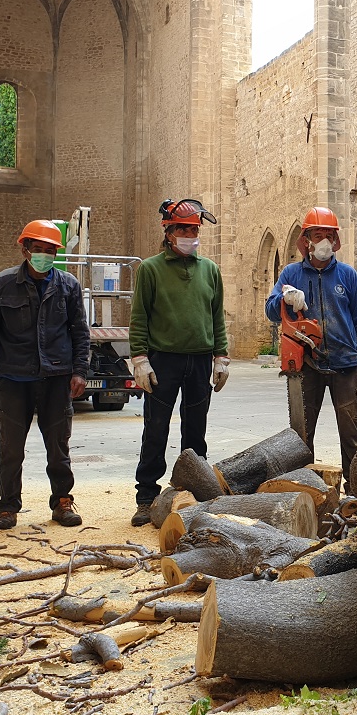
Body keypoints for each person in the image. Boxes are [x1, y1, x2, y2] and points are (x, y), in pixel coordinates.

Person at [0, 220, 90, 530]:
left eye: (50, 251)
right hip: (12, 380)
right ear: (24, 249)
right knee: (10, 448)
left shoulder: (68, 285)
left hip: (55, 379)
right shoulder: (3, 284)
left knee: (59, 446)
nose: (44, 255)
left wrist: (80, 371)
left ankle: (62, 502)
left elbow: (80, 333)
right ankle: (8, 507)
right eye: (38, 250)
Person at [129, 199, 230, 526]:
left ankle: (195, 493)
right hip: (163, 361)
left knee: (195, 430)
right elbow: (139, 317)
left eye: (195, 229)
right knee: (155, 428)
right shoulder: (150, 269)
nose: (190, 234)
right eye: (184, 228)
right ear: (169, 231)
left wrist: (221, 356)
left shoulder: (210, 270)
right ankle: (146, 497)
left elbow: (217, 318)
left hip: (200, 361)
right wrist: (140, 358)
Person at [265, 206, 357, 491]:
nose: (324, 240)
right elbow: (271, 311)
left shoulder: (348, 276)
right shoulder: (291, 273)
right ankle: (306, 490)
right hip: (306, 365)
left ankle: (356, 492)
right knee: (302, 433)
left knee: (351, 432)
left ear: (335, 240)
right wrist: (285, 296)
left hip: (345, 363)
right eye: (318, 234)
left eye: (329, 235)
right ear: (306, 240)